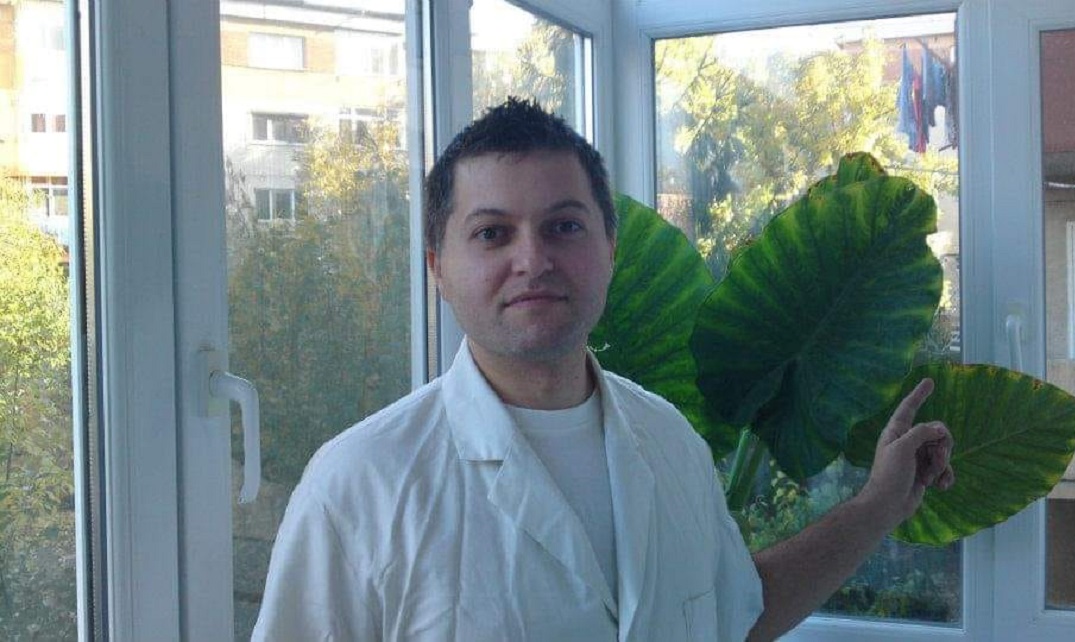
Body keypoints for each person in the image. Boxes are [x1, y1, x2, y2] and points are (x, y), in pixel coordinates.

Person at [251, 97, 954, 641]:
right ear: (438, 268)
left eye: (563, 226)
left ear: (611, 248)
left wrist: (877, 505)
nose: (533, 260)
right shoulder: (360, 485)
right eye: (492, 233)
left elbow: (738, 615)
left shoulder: (668, 440)